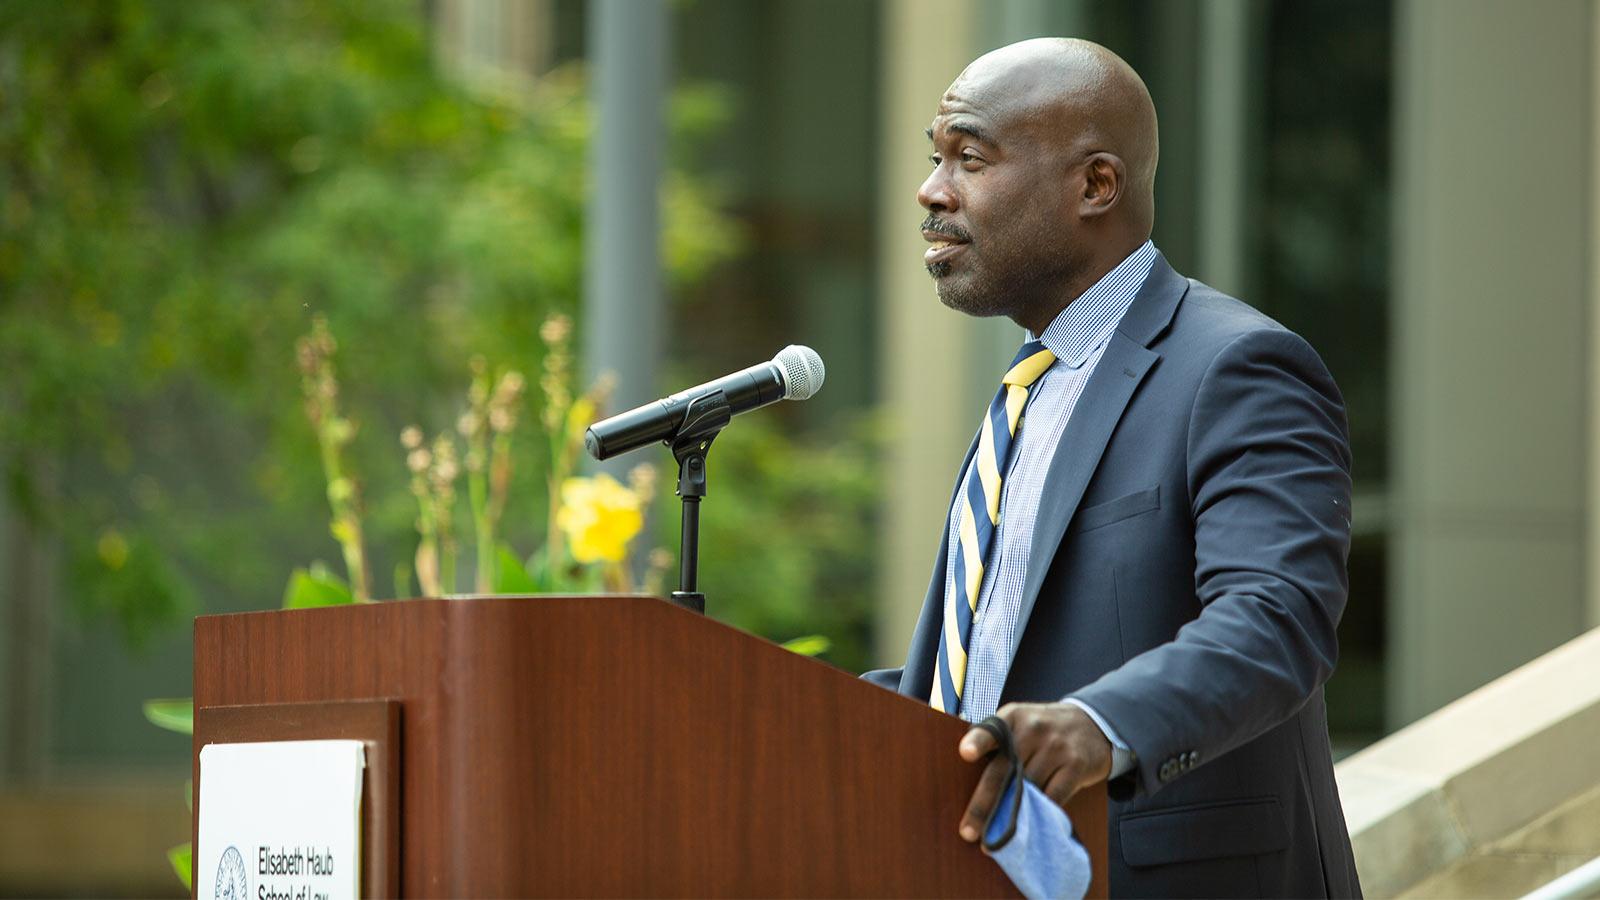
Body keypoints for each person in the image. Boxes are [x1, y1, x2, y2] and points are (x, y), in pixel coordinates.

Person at [863, 38, 1362, 897]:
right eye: (936, 157)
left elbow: (1278, 616)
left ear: (1096, 186)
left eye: (970, 159)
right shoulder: (1025, 393)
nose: (932, 190)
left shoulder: (1236, 368)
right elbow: (974, 672)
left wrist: (1099, 724)